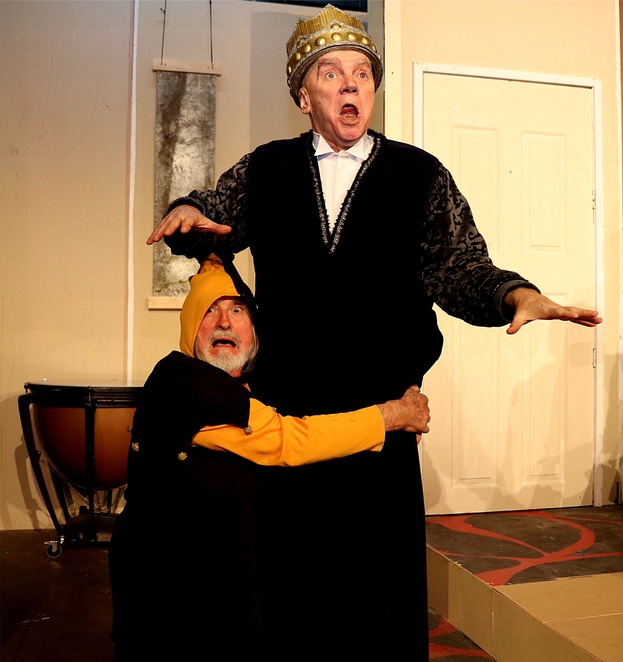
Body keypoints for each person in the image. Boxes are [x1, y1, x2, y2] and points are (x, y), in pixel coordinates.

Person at [146, 5, 603, 660]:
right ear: (303, 94)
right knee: (292, 595)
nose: (351, 85)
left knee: (377, 604)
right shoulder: (267, 168)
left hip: (382, 424)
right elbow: (211, 220)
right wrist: (186, 211)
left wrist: (517, 295)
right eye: (331, 73)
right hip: (290, 417)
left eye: (362, 73)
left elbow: (461, 269)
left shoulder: (418, 174)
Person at [108, 252, 431, 661]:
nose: (224, 322)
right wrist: (391, 417)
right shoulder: (189, 387)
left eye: (237, 310)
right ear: (190, 327)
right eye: (210, 311)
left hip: (215, 590)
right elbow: (288, 440)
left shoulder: (245, 386)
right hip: (173, 602)